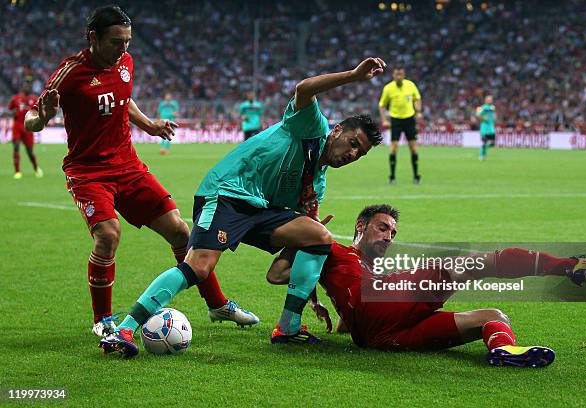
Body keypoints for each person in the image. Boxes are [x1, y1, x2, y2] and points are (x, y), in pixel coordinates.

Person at [99, 57, 386, 357]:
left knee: (319, 236)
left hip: (260, 209)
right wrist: (353, 76)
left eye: (360, 152)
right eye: (353, 143)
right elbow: (304, 88)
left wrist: (312, 295)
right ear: (338, 131)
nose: (352, 153)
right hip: (227, 192)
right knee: (199, 265)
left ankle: (288, 327)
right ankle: (123, 329)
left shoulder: (318, 184)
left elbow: (291, 260)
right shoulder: (313, 127)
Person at [25, 5, 253, 338]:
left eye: (128, 41)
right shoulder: (71, 72)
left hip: (128, 167)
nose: (124, 49)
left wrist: (148, 125)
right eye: (117, 42)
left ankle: (216, 304)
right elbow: (34, 115)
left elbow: (122, 97)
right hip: (88, 172)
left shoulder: (126, 63)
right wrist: (42, 119)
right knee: (108, 235)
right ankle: (103, 321)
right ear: (93, 38)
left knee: (180, 231)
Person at [266, 204, 586, 367]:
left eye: (393, 233)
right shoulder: (335, 249)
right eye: (383, 228)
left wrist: (331, 308)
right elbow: (276, 275)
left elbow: (348, 318)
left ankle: (503, 352)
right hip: (382, 308)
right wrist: (305, 237)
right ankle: (569, 266)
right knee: (473, 264)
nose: (389, 236)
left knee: (494, 316)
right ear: (361, 226)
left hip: (382, 338)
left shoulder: (369, 269)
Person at [379, 68, 422, 184]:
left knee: (413, 148)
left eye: (401, 74)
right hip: (396, 120)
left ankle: (416, 176)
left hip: (409, 119)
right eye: (397, 74)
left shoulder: (410, 85)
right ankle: (392, 177)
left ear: (404, 75)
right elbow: (382, 105)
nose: (399, 76)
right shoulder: (388, 88)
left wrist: (418, 111)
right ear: (393, 75)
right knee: (393, 148)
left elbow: (417, 99)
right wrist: (384, 120)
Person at [8, 80, 43, 179]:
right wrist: (14, 113)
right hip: (17, 126)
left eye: (28, 86)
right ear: (22, 88)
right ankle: (17, 171)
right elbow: (10, 109)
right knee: (16, 147)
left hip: (28, 127)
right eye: (25, 86)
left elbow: (40, 112)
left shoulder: (35, 99)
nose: (26, 87)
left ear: (30, 88)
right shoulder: (16, 99)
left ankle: (36, 168)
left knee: (29, 152)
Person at [477, 95, 496, 160]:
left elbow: (492, 112)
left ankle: (484, 150)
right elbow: (477, 115)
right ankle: (482, 155)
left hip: (491, 128)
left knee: (493, 143)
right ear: (486, 100)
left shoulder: (492, 107)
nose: (491, 100)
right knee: (484, 142)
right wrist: (483, 117)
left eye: (491, 99)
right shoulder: (481, 107)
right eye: (490, 99)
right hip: (484, 128)